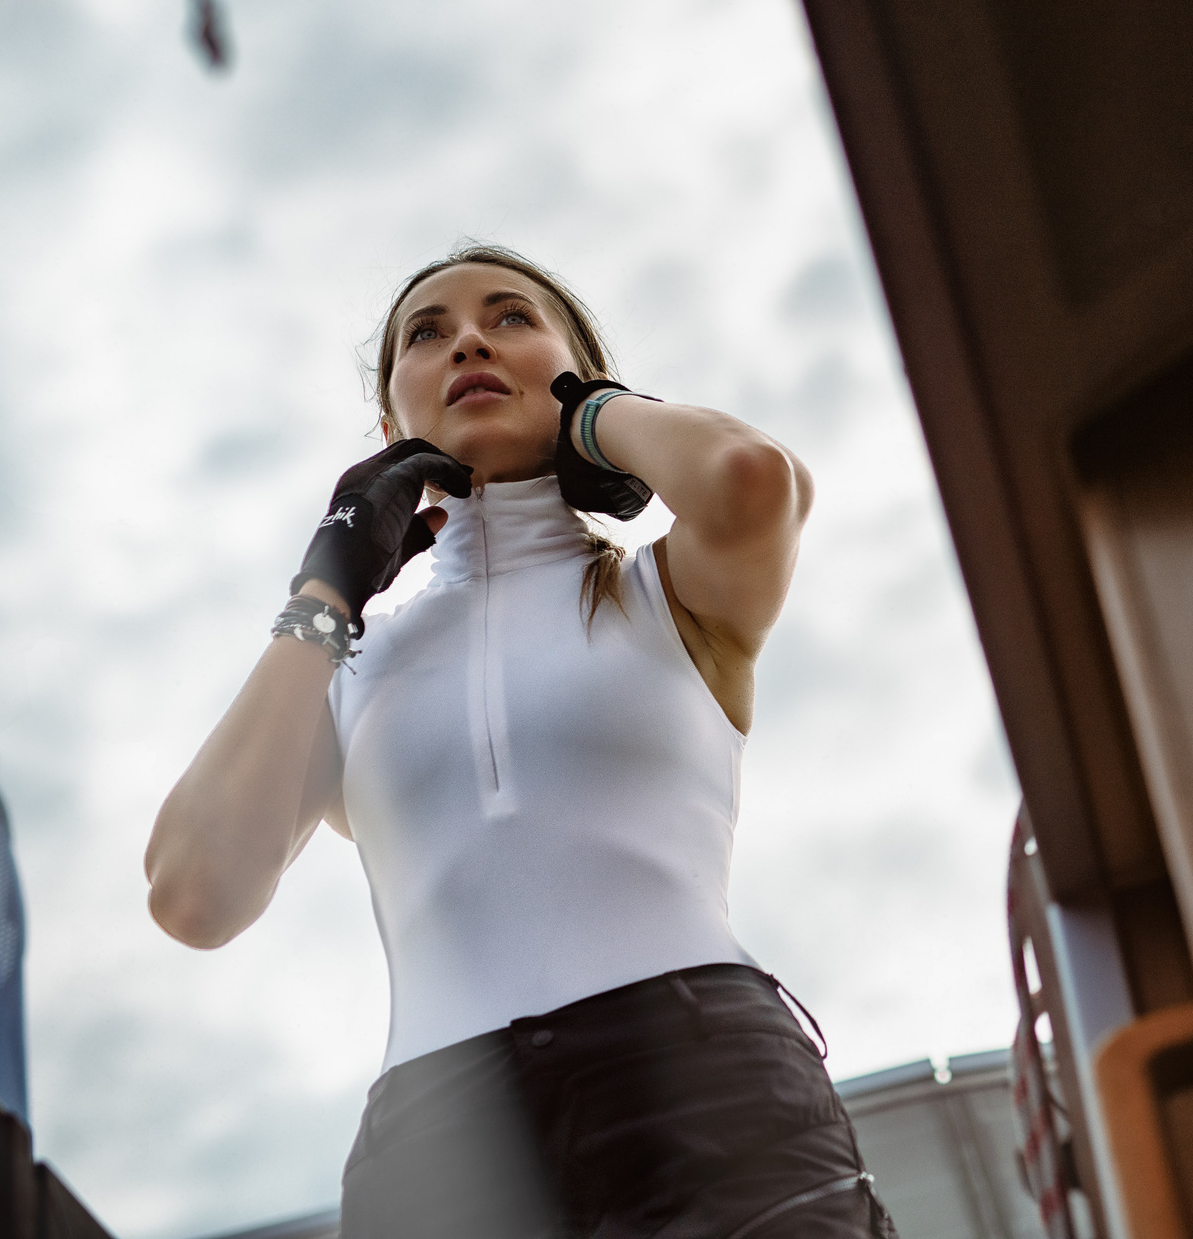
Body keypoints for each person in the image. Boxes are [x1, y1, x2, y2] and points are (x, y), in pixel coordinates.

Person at [145, 244, 894, 1238]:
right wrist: (326, 590)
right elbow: (194, 895)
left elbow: (750, 478)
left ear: (580, 370)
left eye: (511, 319)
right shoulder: (348, 671)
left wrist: (595, 416)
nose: (467, 340)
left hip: (701, 1084)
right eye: (427, 332)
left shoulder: (663, 595)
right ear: (387, 427)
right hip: (441, 1143)